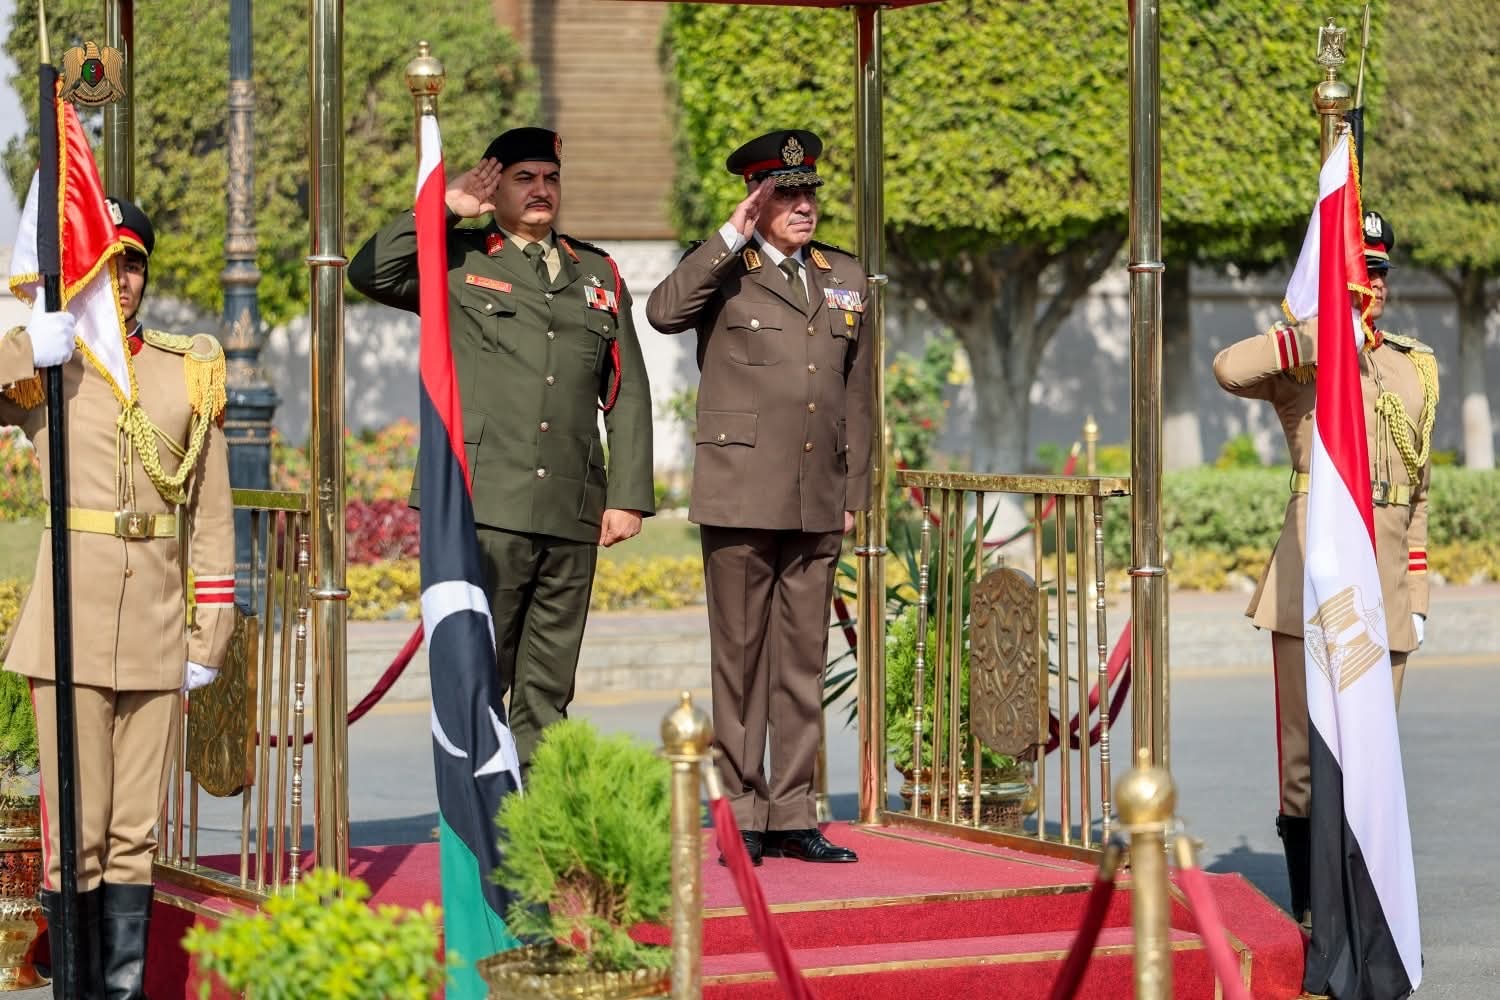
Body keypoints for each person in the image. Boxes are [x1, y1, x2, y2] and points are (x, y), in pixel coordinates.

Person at [348, 127, 655, 772]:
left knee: (549, 685)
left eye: (550, 178)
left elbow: (626, 392)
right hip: (483, 505)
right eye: (524, 178)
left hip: (570, 506)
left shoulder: (596, 273)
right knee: (480, 675)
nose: (541, 191)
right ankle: (477, 822)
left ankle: (535, 824)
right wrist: (440, 209)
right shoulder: (458, 259)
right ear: (496, 186)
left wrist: (627, 497)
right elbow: (371, 272)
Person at [0, 196, 235, 998]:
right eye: (108, 262)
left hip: (160, 622)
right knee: (76, 838)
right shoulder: (49, 364)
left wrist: (210, 635)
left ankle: (120, 991)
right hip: (70, 620)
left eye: (133, 263)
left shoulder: (185, 367)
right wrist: (29, 343)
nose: (123, 279)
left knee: (134, 834)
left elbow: (208, 510)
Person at [646, 129, 874, 866]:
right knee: (739, 661)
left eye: (809, 193)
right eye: (787, 194)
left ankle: (790, 812)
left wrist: (856, 489)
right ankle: (739, 811)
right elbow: (663, 311)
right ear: (756, 196)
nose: (804, 206)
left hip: (816, 494)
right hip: (741, 493)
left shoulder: (845, 275)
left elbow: (859, 396)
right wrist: (727, 237)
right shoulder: (721, 268)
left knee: (800, 661)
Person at [1212, 209, 1438, 928]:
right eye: (1355, 274)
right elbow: (1228, 368)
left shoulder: (1413, 365)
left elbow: (1418, 488)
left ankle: (1359, 908)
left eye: (1375, 274)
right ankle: (1313, 913)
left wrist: (1421, 590)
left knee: (1370, 753)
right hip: (1309, 578)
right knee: (1306, 760)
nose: (1368, 286)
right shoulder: (1304, 361)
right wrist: (1313, 333)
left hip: (1386, 582)